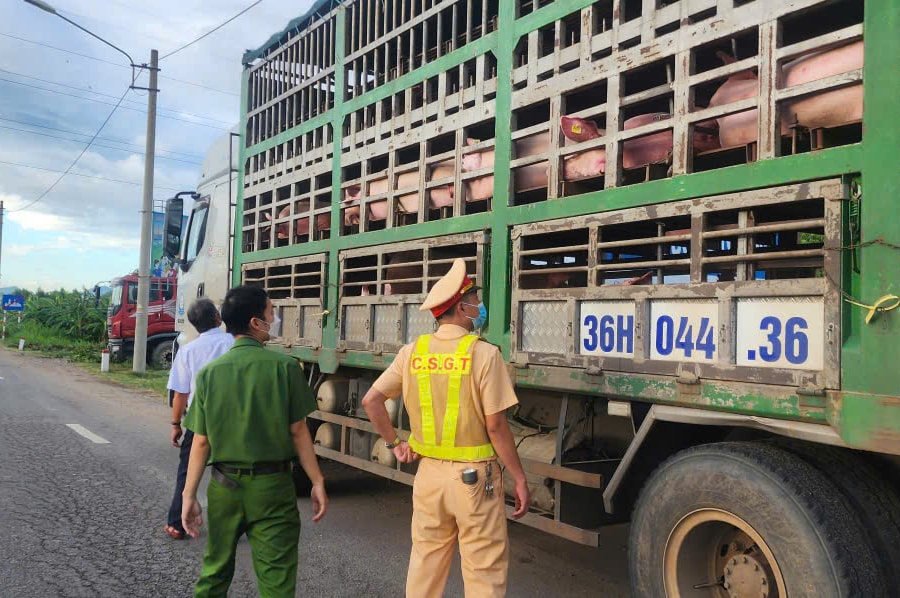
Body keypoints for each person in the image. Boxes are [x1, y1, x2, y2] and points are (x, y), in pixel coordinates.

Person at [362, 258, 531, 598]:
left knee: (426, 564)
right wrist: (519, 477)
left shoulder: (413, 352)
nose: (479, 307)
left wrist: (395, 443)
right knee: (483, 570)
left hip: (429, 478)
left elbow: (371, 401)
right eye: (474, 301)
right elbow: (496, 426)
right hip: (475, 480)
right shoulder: (484, 354)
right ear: (461, 307)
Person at [181, 285, 327, 597]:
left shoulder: (208, 374)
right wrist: (316, 480)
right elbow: (299, 431)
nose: (274, 319)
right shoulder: (285, 368)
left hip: (224, 487)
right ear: (255, 322)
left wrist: (188, 495)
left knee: (215, 572)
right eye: (271, 313)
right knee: (277, 580)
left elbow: (201, 442)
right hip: (273, 488)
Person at [164, 298, 234, 540]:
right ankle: (233, 524)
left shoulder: (188, 351)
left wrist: (176, 425)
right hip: (232, 421)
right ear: (218, 317)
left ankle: (176, 523)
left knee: (187, 472)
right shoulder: (234, 343)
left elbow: (180, 394)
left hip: (199, 420)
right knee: (231, 473)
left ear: (194, 324)